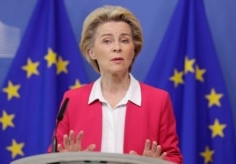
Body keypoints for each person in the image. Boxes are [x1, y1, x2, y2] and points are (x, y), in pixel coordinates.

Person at [49, 5, 183, 164]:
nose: (117, 48)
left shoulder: (158, 100)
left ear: (134, 50)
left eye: (124, 40)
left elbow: (174, 159)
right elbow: (52, 158)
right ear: (91, 51)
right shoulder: (72, 100)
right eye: (107, 41)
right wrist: (66, 160)